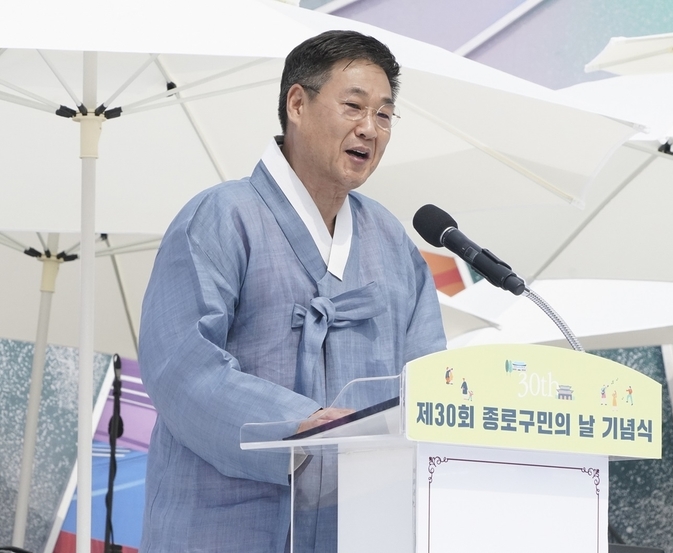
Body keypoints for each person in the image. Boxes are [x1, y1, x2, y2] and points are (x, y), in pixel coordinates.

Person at [138, 30, 446, 553]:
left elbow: (429, 380)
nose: (369, 129)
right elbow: (181, 366)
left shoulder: (392, 243)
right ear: (297, 104)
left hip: (357, 526)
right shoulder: (221, 216)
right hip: (223, 524)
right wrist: (296, 425)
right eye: (354, 106)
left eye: (385, 115)